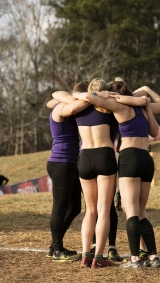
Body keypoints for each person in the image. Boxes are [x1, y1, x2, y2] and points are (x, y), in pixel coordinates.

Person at [72, 79, 160, 269]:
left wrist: (101, 96)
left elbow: (92, 99)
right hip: (147, 158)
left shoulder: (120, 107)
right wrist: (146, 90)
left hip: (129, 158)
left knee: (129, 209)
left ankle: (134, 259)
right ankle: (153, 256)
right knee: (141, 211)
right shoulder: (145, 108)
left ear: (117, 96)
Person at [54, 78, 146, 268]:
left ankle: (86, 255)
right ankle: (98, 258)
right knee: (104, 210)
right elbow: (138, 101)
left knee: (90, 210)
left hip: (85, 157)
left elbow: (55, 97)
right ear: (105, 92)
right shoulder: (109, 107)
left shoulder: (77, 107)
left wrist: (82, 96)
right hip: (105, 155)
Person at [46, 81, 90, 262]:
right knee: (60, 207)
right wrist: (91, 97)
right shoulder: (62, 107)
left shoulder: (66, 104)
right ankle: (57, 250)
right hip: (60, 162)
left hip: (70, 163)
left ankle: (54, 245)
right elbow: (63, 102)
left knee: (75, 207)